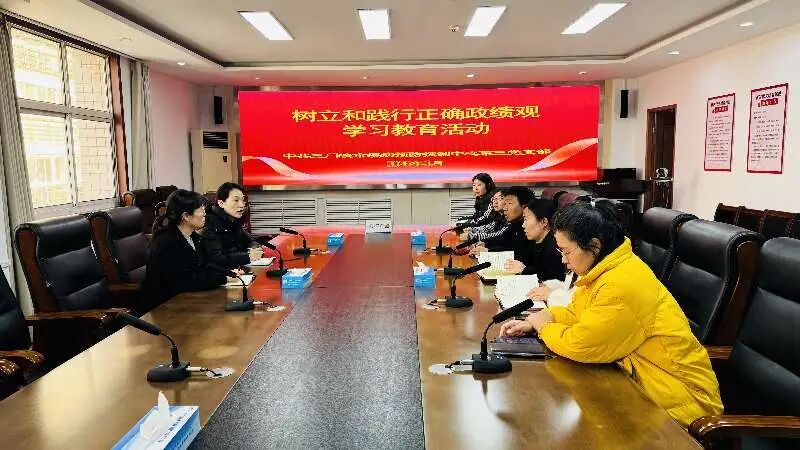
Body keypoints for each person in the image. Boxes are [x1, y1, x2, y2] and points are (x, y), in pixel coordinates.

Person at [500, 201, 722, 427]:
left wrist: (544, 327)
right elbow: (578, 314)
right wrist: (544, 318)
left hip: (680, 403)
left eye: (567, 251)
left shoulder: (620, 283)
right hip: (640, 382)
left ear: (594, 245)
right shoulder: (602, 270)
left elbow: (582, 343)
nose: (563, 260)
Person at [144, 189, 231, 305]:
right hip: (168, 306)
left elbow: (205, 264)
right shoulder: (166, 243)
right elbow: (184, 282)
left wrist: (229, 273)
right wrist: (223, 278)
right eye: (201, 210)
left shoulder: (193, 237)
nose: (205, 214)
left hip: (189, 299)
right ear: (186, 216)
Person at [200, 182, 263, 269]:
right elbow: (215, 258)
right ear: (221, 203)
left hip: (238, 269)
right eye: (236, 200)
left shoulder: (234, 220)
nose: (242, 205)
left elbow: (251, 241)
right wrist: (247, 256)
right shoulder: (209, 223)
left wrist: (254, 249)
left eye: (243, 200)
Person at [502, 197, 565, 281]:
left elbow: (553, 279)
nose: (523, 225)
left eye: (526, 219)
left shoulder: (554, 249)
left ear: (544, 222)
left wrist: (524, 270)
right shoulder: (539, 242)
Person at [470, 186, 533, 257]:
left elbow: (520, 255)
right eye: (505, 203)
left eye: (509, 203)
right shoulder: (515, 223)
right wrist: (485, 243)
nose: (505, 208)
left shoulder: (530, 227)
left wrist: (488, 251)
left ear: (524, 207)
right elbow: (502, 239)